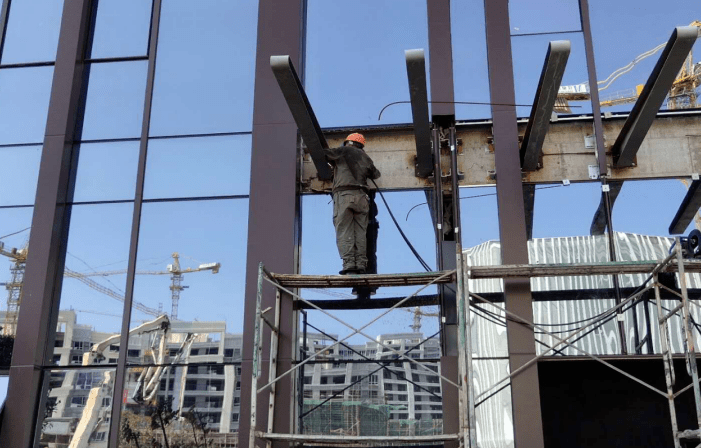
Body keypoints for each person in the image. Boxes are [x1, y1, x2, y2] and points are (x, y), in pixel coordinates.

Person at [324, 133, 381, 275]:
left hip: (344, 195)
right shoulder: (365, 157)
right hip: (362, 198)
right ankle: (361, 264)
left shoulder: (342, 151)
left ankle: (349, 264)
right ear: (361, 145)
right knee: (360, 232)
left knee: (344, 230)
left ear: (347, 142)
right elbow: (376, 174)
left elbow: (323, 154)